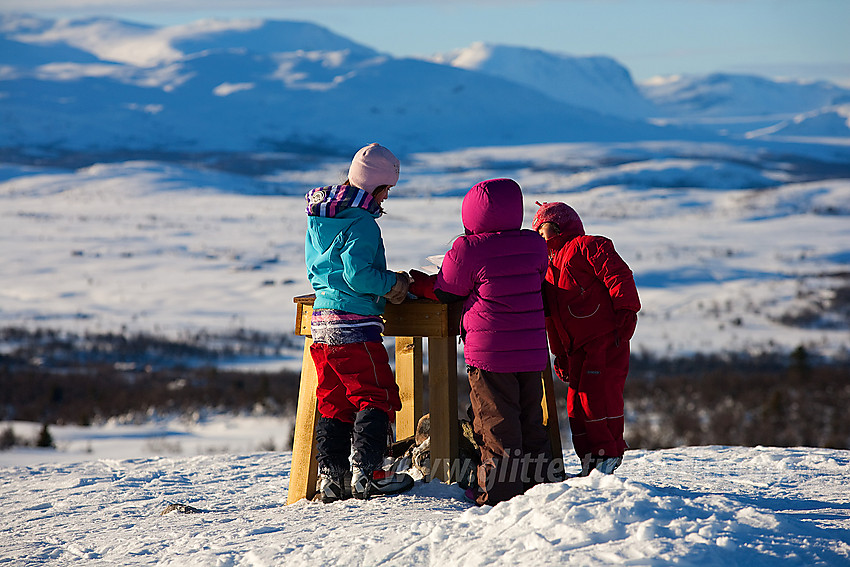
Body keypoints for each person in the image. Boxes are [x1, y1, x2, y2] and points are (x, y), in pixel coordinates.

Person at [410, 178, 561, 506]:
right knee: (531, 421)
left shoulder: (468, 249)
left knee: (497, 425)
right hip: (532, 352)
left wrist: (422, 285)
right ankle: (545, 490)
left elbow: (446, 290)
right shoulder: (533, 245)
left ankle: (498, 494)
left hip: (491, 356)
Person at [304, 143, 414, 502]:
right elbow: (358, 275)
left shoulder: (320, 218)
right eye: (387, 191)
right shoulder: (363, 223)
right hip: (354, 326)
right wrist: (393, 285)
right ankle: (370, 473)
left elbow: (317, 269)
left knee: (334, 400)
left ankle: (332, 479)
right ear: (376, 188)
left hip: (322, 324)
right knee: (376, 394)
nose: (385, 200)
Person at [532, 201, 640, 476]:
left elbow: (618, 275)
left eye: (544, 229)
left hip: (604, 338)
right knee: (575, 404)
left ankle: (608, 454)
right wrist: (560, 353)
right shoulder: (546, 267)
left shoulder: (586, 246)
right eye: (538, 231)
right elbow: (552, 318)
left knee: (597, 397)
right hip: (576, 348)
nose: (541, 236)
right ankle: (589, 460)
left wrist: (626, 310)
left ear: (560, 226)